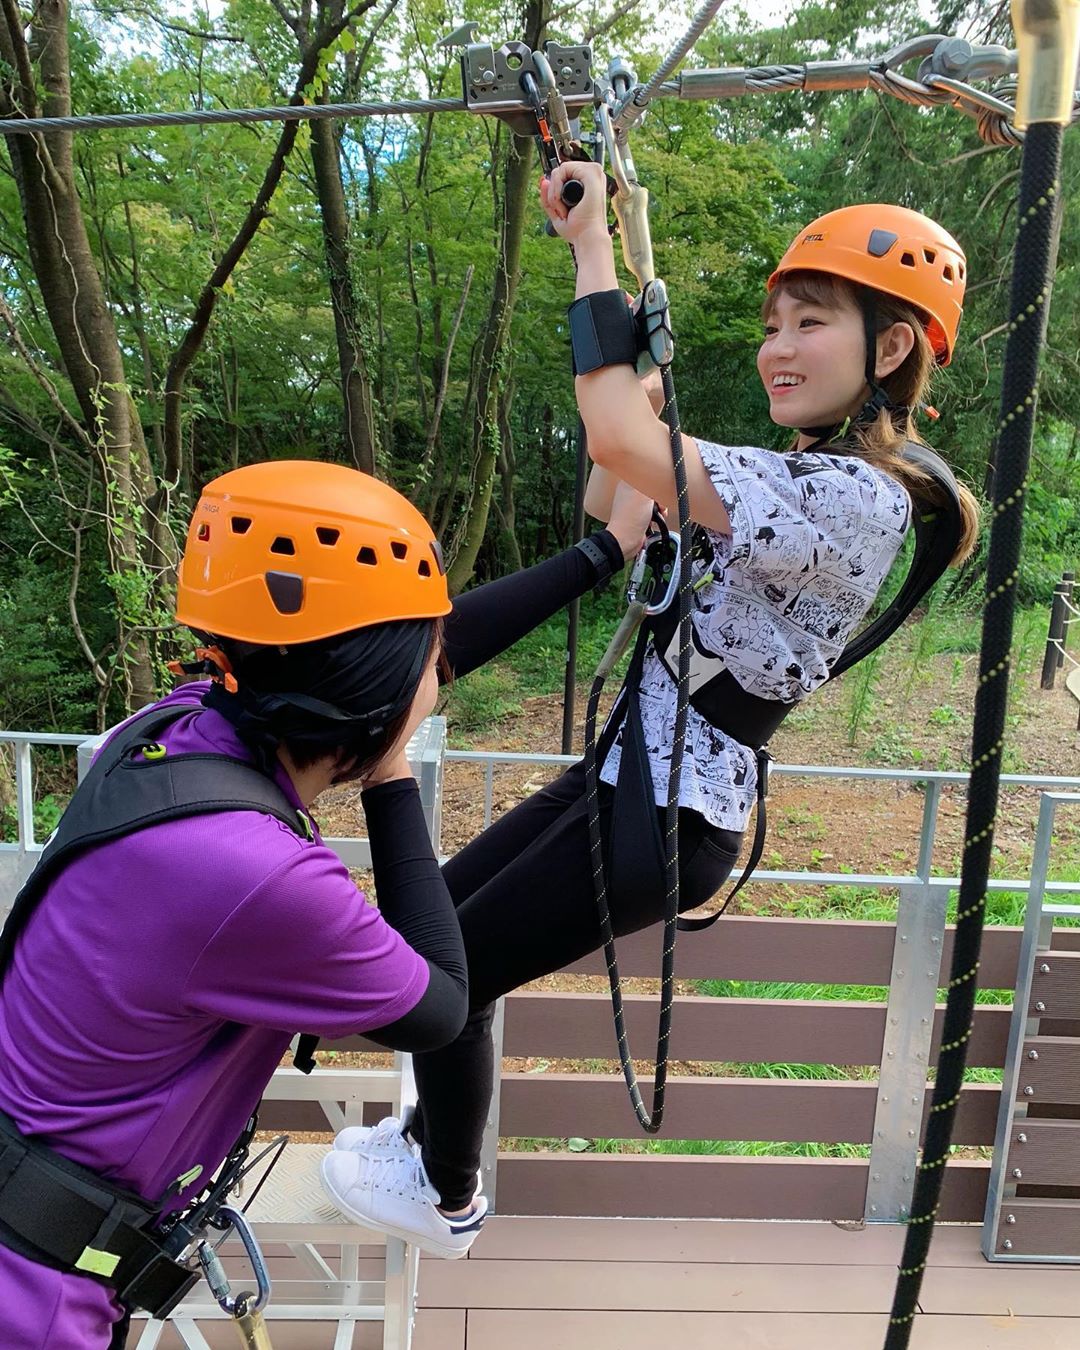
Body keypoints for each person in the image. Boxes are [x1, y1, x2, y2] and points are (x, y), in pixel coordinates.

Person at [319, 170, 980, 1254]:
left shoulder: (857, 501)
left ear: (892, 349)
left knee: (448, 969)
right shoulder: (791, 477)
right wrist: (633, 385)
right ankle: (430, 1145)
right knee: (435, 925)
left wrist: (592, 261)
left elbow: (629, 451)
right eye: (774, 324)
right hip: (635, 779)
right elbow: (614, 499)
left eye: (809, 323)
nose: (778, 346)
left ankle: (446, 1194)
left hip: (665, 815)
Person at [0, 460, 652, 1350]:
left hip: (46, 1228)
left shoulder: (171, 731)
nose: (444, 667)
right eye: (429, 658)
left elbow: (412, 651)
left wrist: (604, 551)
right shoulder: (256, 876)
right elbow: (439, 1003)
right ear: (380, 693)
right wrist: (391, 776)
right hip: (36, 1294)